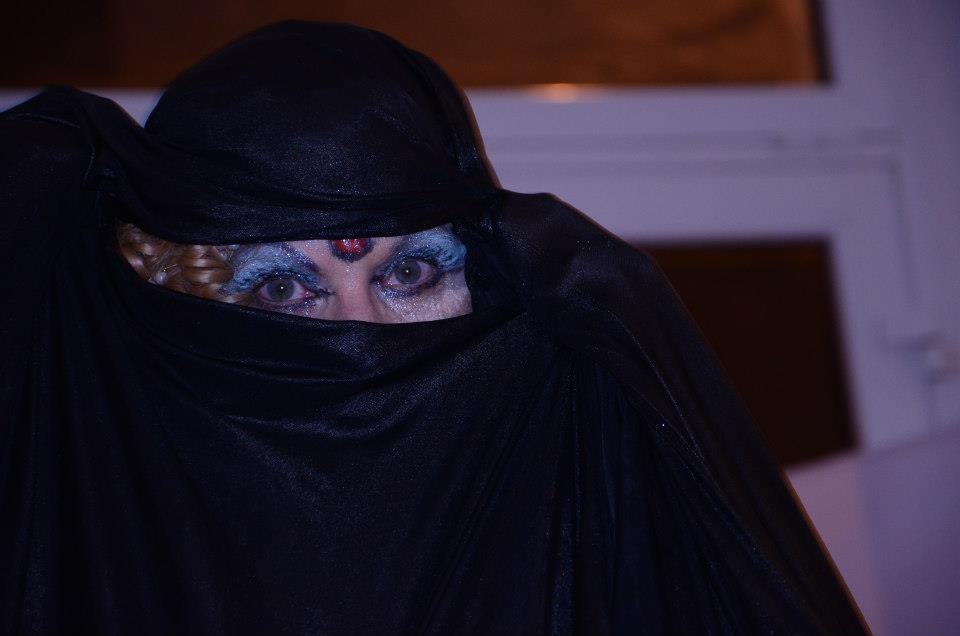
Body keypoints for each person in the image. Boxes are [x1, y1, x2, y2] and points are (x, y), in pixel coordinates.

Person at [0, 21, 865, 635]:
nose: (360, 329)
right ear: (191, 315)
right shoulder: (108, 529)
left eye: (408, 273)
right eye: (285, 289)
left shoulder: (577, 494)